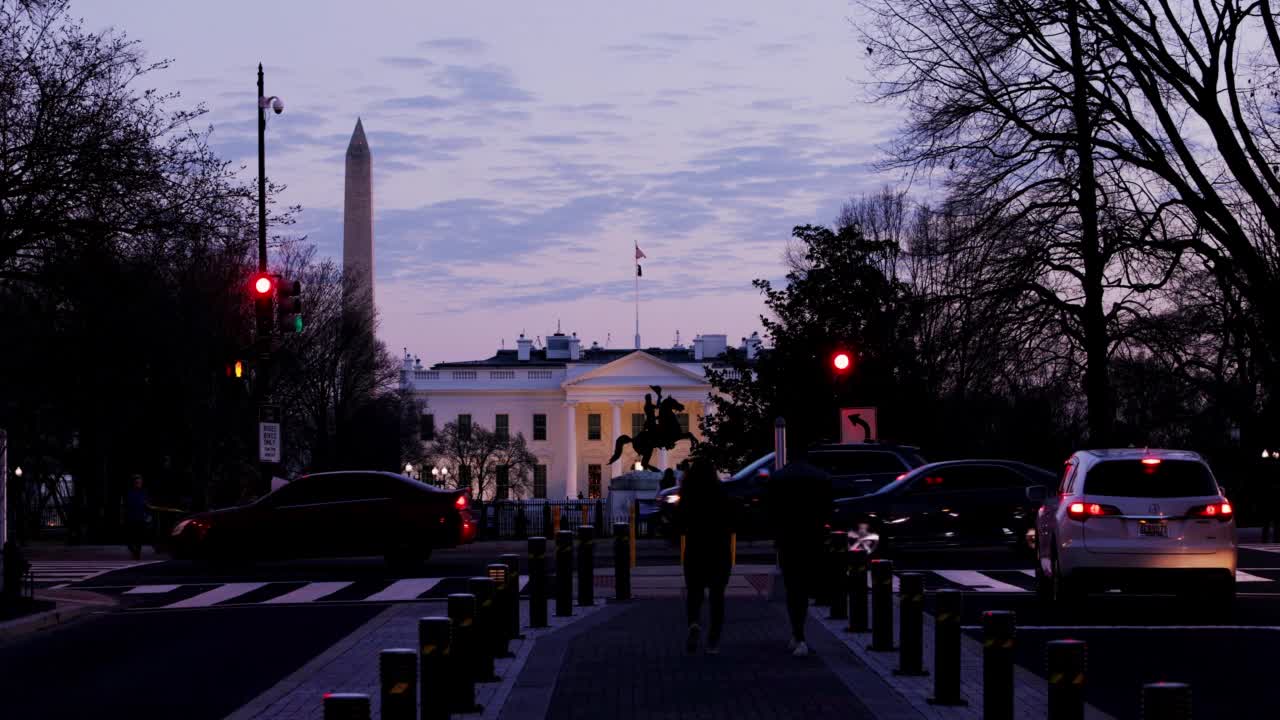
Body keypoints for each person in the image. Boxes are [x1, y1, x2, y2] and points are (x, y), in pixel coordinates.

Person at [767, 451, 833, 657]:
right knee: (806, 585)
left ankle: (798, 634)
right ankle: (800, 633)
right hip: (813, 536)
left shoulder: (779, 478)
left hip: (788, 538)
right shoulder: (820, 477)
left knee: (793, 588)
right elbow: (828, 509)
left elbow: (771, 511)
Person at [675, 458, 736, 654]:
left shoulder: (688, 492)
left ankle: (693, 623)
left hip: (695, 547)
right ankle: (713, 641)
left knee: (694, 592)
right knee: (717, 596)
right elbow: (731, 520)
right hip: (719, 548)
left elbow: (680, 522)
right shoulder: (722, 492)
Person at [124, 474, 152, 561]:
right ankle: (133, 550)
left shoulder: (144, 492)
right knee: (131, 538)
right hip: (131, 517)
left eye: (140, 482)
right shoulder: (129, 492)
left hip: (140, 517)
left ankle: (137, 554)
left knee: (139, 537)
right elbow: (126, 505)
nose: (138, 483)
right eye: (136, 482)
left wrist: (148, 515)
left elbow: (147, 504)